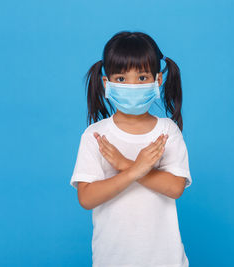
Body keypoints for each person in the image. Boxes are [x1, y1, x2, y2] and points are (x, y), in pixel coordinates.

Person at [70, 31, 192, 267]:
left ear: (158, 81)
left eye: (143, 77)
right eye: (122, 79)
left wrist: (125, 164)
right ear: (107, 83)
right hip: (111, 260)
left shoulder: (167, 132)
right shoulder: (96, 136)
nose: (133, 86)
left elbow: (175, 188)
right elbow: (86, 197)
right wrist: (135, 170)